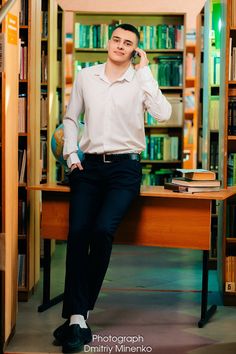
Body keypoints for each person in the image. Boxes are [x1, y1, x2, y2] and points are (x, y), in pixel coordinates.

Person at [53, 23, 172, 353]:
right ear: (108, 42)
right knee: (78, 233)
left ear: (135, 50)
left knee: (102, 230)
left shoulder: (139, 81)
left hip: (125, 169)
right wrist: (71, 150)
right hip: (87, 168)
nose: (120, 45)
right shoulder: (86, 76)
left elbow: (164, 114)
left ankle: (78, 314)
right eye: (116, 39)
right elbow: (71, 118)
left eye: (128, 43)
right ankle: (78, 318)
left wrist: (145, 72)